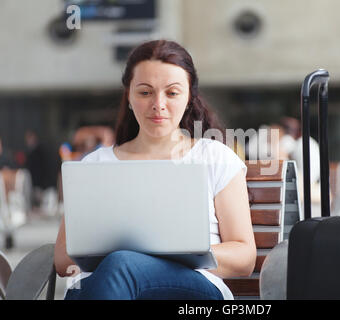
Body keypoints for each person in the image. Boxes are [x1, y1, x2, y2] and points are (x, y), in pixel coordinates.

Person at [54, 40, 257, 300]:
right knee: (112, 272)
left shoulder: (213, 157)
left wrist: (174, 253)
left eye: (172, 93)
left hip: (191, 285)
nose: (158, 104)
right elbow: (62, 259)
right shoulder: (94, 165)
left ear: (189, 97)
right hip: (100, 286)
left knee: (122, 266)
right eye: (145, 92)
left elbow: (244, 257)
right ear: (128, 96)